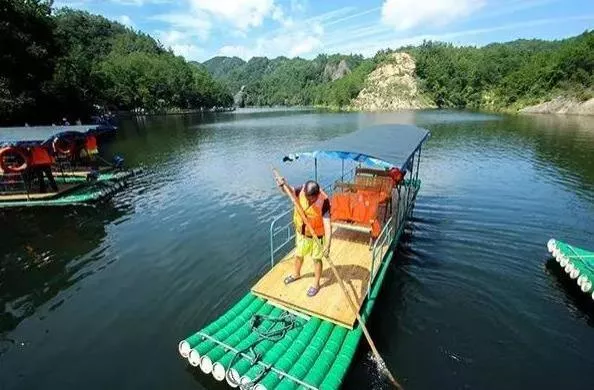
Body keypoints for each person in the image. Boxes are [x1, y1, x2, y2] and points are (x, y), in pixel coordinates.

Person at [275, 177, 332, 297]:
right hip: (302, 234)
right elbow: (288, 190)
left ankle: (316, 284)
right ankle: (296, 274)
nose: (308, 199)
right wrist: (282, 185)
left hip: (317, 236)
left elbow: (327, 225)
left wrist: (327, 245)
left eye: (311, 198)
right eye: (306, 196)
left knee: (317, 259)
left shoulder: (324, 202)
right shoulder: (302, 190)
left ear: (316, 195)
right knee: (298, 255)